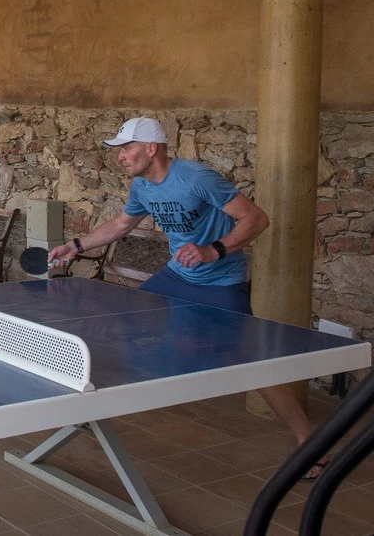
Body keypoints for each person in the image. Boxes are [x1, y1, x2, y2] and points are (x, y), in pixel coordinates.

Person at [47, 117, 331, 481]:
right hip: (177, 276)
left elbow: (256, 219)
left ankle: (310, 442)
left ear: (151, 148)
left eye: (127, 149)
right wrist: (75, 246)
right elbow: (120, 225)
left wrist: (215, 250)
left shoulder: (197, 178)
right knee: (124, 320)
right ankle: (90, 411)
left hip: (221, 282)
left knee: (255, 363)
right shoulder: (141, 187)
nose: (121, 158)